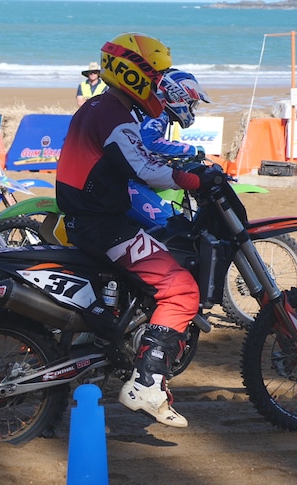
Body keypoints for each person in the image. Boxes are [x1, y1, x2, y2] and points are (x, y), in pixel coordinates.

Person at [56, 33, 216, 428]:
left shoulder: (99, 106)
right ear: (134, 72)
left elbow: (138, 159)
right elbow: (144, 167)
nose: (161, 82)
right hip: (102, 225)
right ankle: (146, 383)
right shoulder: (114, 115)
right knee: (181, 289)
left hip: (88, 220)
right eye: (156, 73)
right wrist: (193, 180)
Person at [140, 69, 211, 159]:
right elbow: (150, 143)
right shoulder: (157, 113)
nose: (191, 108)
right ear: (178, 96)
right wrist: (192, 150)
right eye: (192, 103)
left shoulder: (153, 109)